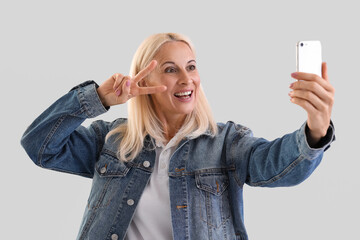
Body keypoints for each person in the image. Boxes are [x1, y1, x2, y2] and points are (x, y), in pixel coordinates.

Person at [21, 33, 335, 240]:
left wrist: (316, 129)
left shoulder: (227, 142)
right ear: (144, 78)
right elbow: (39, 145)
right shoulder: (113, 140)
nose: (187, 79)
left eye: (191, 67)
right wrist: (97, 99)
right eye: (171, 70)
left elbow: (280, 168)